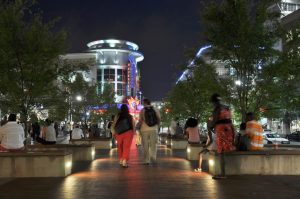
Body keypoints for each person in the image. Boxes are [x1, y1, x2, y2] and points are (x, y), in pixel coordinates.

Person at [209, 93, 235, 179]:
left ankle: (223, 174)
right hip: (229, 129)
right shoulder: (226, 108)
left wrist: (210, 126)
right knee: (224, 150)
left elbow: (215, 120)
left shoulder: (217, 109)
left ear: (214, 102)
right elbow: (230, 120)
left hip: (221, 130)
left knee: (221, 152)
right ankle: (224, 173)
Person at [139, 98, 161, 165]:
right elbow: (159, 119)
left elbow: (140, 121)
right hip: (154, 129)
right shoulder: (155, 109)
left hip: (144, 129)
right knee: (153, 144)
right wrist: (158, 127)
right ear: (150, 103)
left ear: (144, 103)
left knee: (145, 145)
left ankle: (146, 160)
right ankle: (153, 156)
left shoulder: (142, 110)